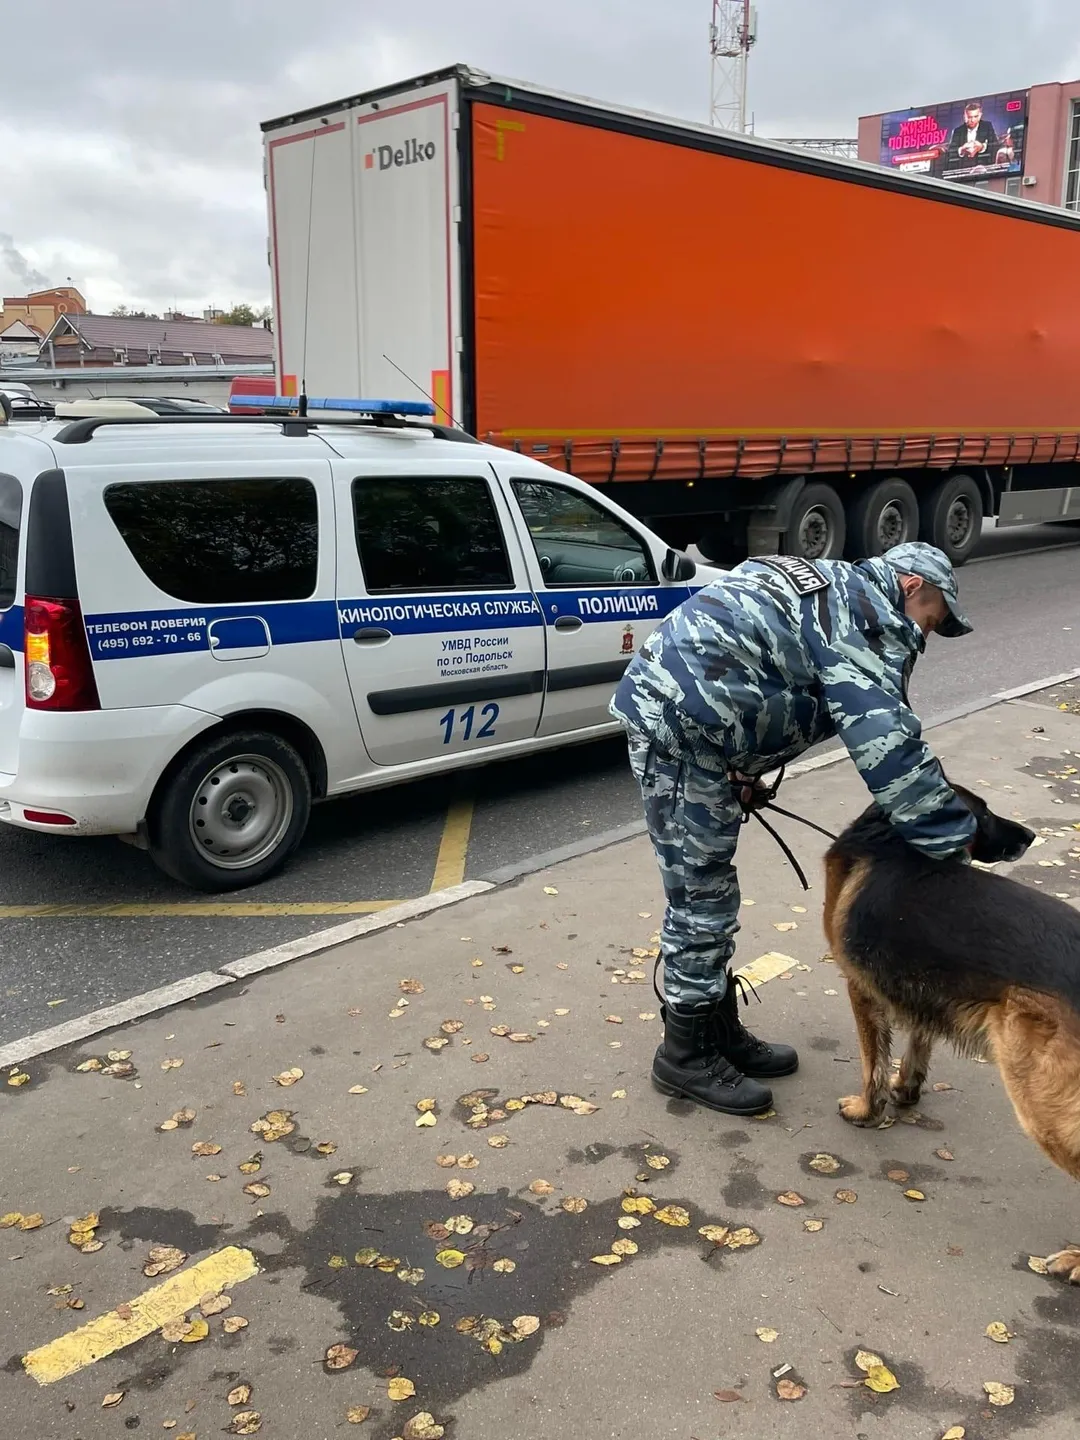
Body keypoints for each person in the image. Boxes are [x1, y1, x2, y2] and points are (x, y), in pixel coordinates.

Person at [610, 542, 976, 1117]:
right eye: (933, 617)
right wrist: (954, 843)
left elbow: (757, 662)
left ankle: (715, 1030)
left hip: (699, 734)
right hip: (680, 741)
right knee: (701, 898)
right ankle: (683, 1056)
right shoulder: (864, 619)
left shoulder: (836, 590)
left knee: (711, 894)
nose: (928, 635)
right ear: (911, 586)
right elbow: (888, 745)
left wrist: (741, 766)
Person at [947, 101, 999, 169]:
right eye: (969, 117)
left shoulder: (987, 126)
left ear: (980, 115)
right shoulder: (957, 131)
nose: (972, 120)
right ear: (964, 117)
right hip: (963, 169)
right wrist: (962, 150)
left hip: (983, 167)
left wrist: (982, 147)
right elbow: (950, 153)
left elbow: (995, 146)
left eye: (975, 116)